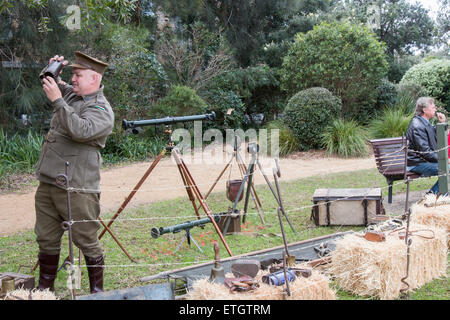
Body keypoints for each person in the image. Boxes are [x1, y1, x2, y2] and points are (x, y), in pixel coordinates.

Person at [35, 51, 114, 294]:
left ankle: (96, 293)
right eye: (73, 75)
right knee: (46, 238)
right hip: (49, 181)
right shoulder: (72, 94)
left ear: (95, 79)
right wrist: (52, 69)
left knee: (86, 240)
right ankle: (44, 290)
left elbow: (81, 130)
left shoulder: (101, 110)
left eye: (78, 75)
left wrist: (59, 101)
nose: (74, 80)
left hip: (77, 187)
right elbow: (50, 83)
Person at [406, 97, 447, 194]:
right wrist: (445, 159)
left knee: (447, 169)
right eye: (433, 107)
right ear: (424, 110)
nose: (435, 109)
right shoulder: (417, 125)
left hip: (424, 161)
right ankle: (431, 196)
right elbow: (425, 152)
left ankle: (440, 196)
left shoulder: (424, 122)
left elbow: (436, 138)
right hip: (416, 163)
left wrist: (442, 123)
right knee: (447, 170)